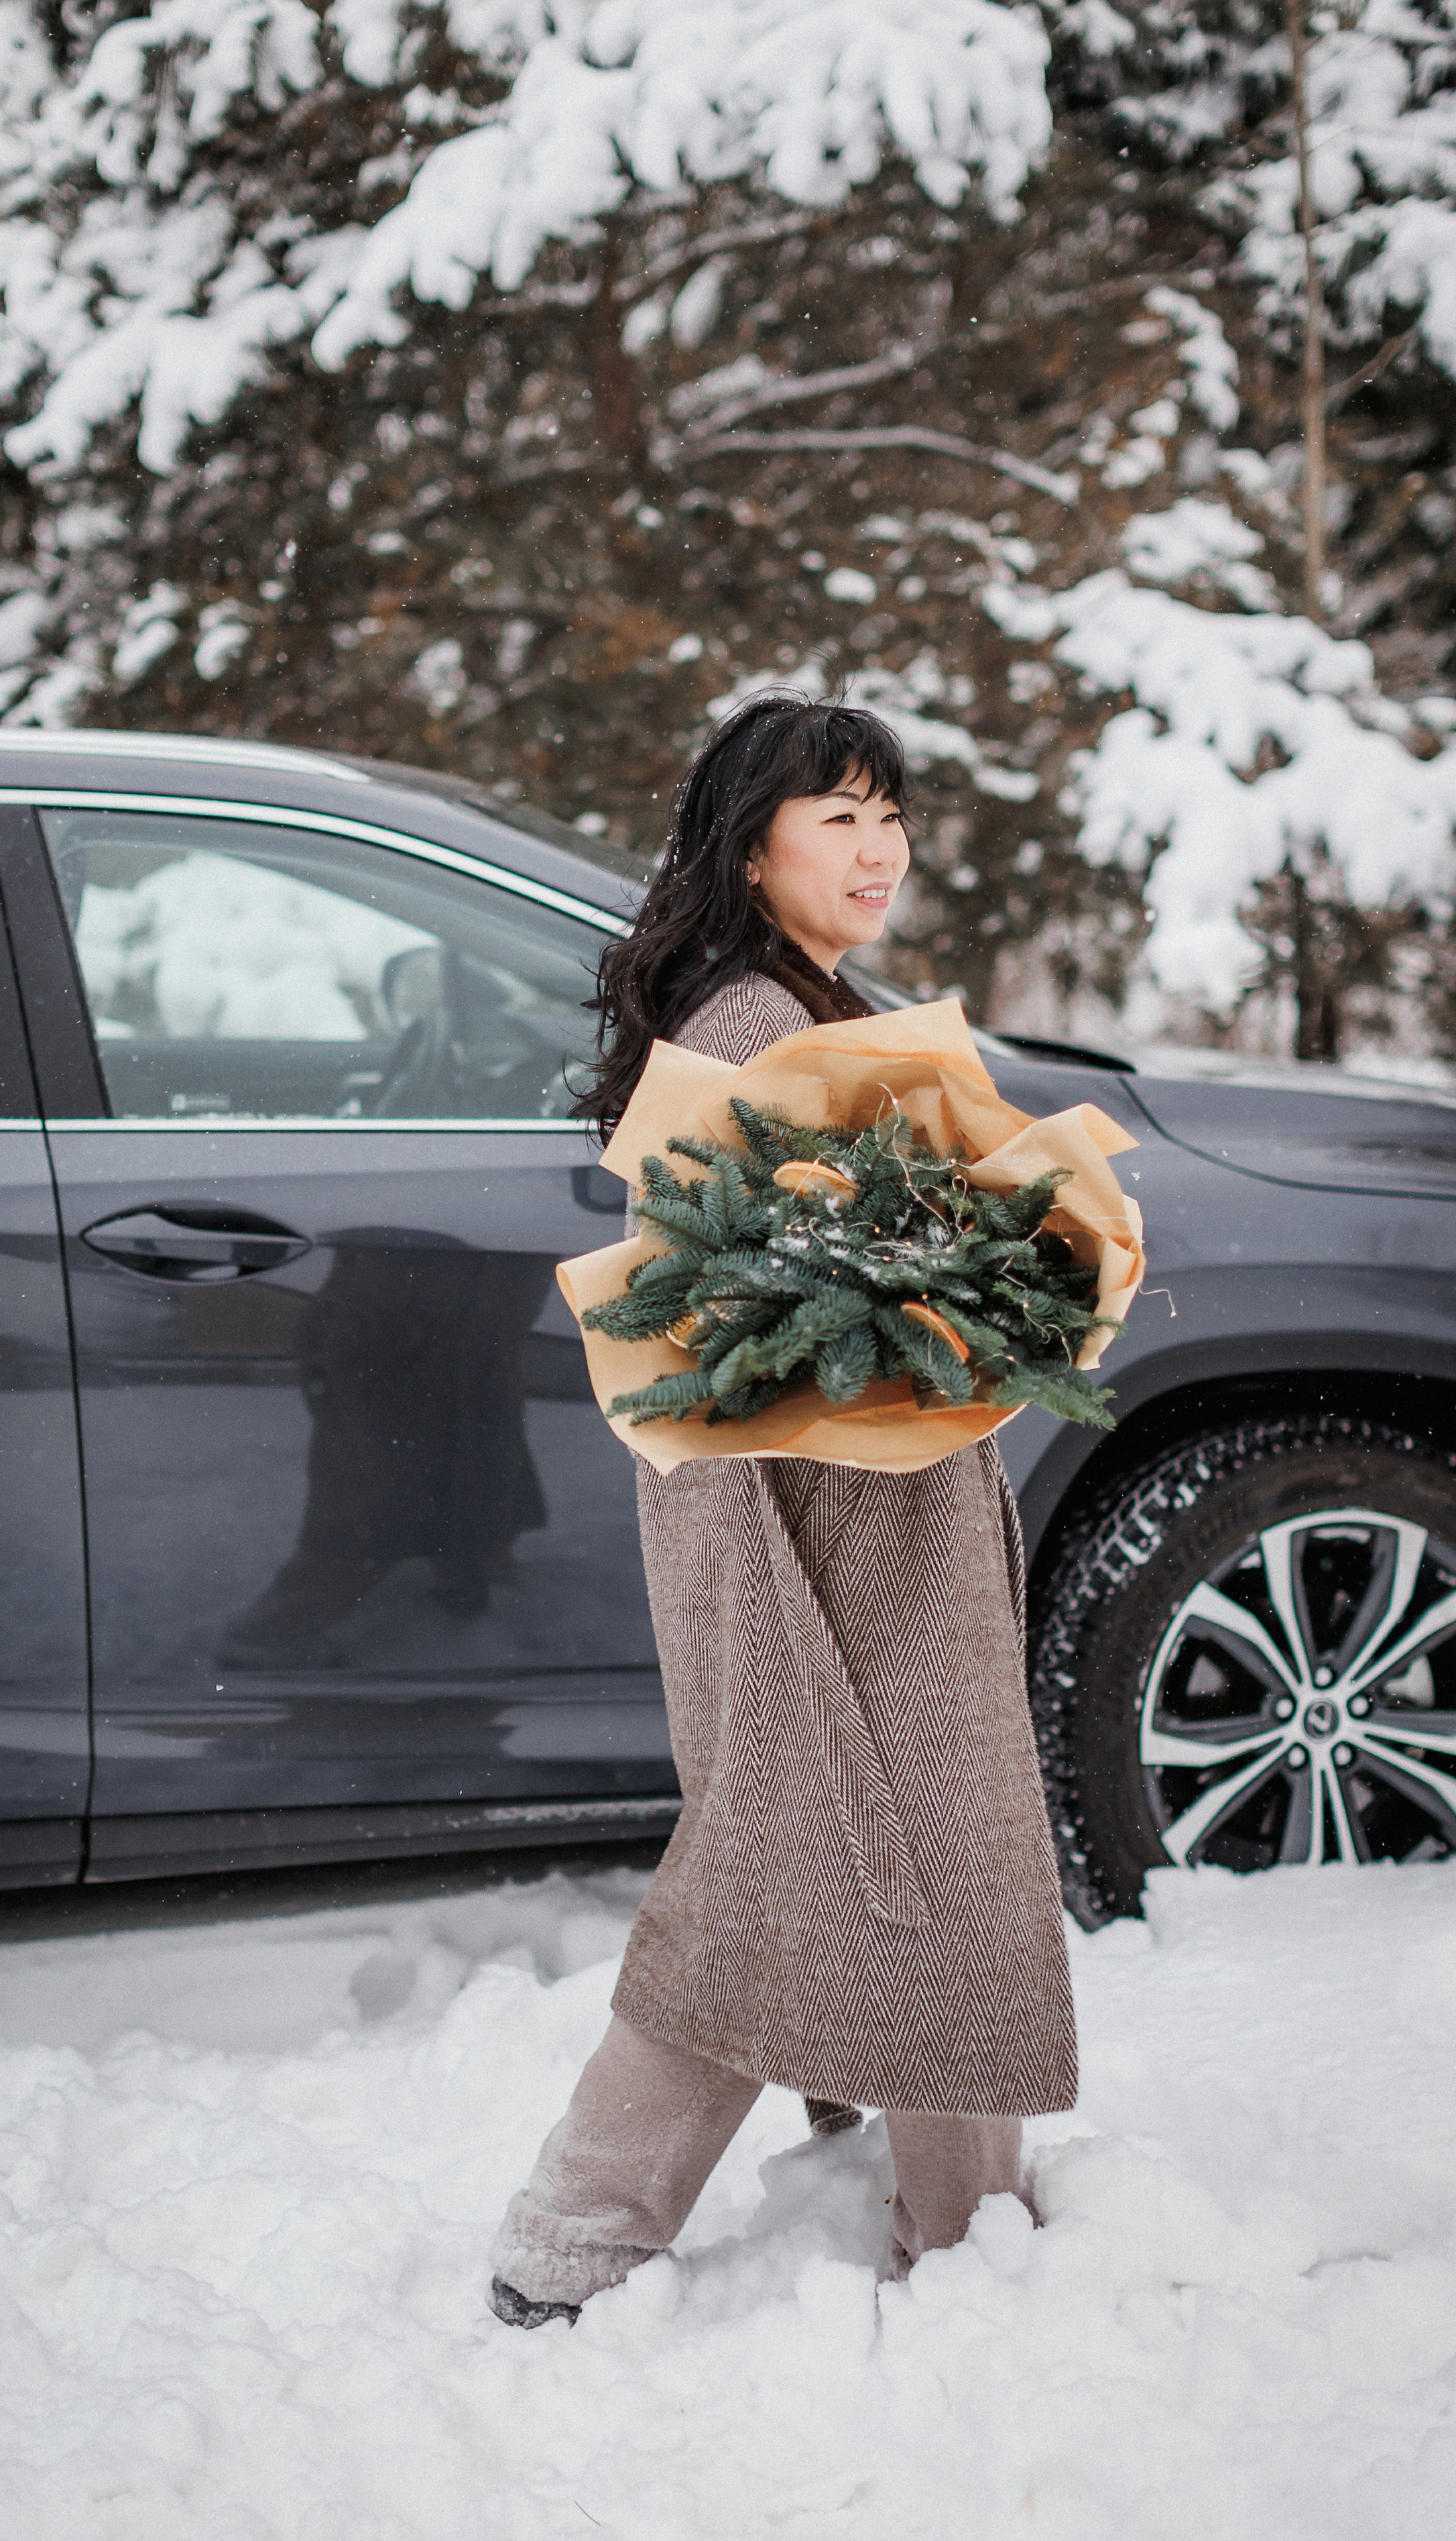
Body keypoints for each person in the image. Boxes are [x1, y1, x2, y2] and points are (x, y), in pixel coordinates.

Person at [487, 694, 1078, 2326]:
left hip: (851, 1501)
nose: (878, 846)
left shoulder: (810, 1002)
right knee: (813, 1854)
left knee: (869, 1848)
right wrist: (971, 1297)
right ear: (749, 846)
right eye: (838, 814)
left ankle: (965, 2224)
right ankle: (593, 2234)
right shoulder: (756, 1027)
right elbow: (742, 1309)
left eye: (889, 812)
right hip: (808, 1519)